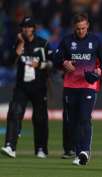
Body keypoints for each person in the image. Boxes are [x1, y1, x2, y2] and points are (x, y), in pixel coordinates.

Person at [54, 13, 102, 165]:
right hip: (70, 86)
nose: (80, 31)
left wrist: (99, 70)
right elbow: (56, 60)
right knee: (72, 122)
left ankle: (84, 151)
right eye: (78, 29)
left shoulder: (96, 40)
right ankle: (79, 154)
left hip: (88, 86)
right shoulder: (66, 41)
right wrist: (64, 63)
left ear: (88, 26)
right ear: (74, 28)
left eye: (83, 28)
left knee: (84, 118)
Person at [1, 17, 53, 158]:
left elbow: (52, 64)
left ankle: (41, 149)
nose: (26, 29)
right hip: (21, 87)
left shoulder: (43, 44)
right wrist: (20, 44)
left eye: (29, 26)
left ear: (33, 28)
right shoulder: (18, 43)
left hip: (39, 86)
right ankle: (10, 146)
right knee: (14, 113)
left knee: (40, 118)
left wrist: (40, 65)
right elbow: (10, 62)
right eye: (24, 26)